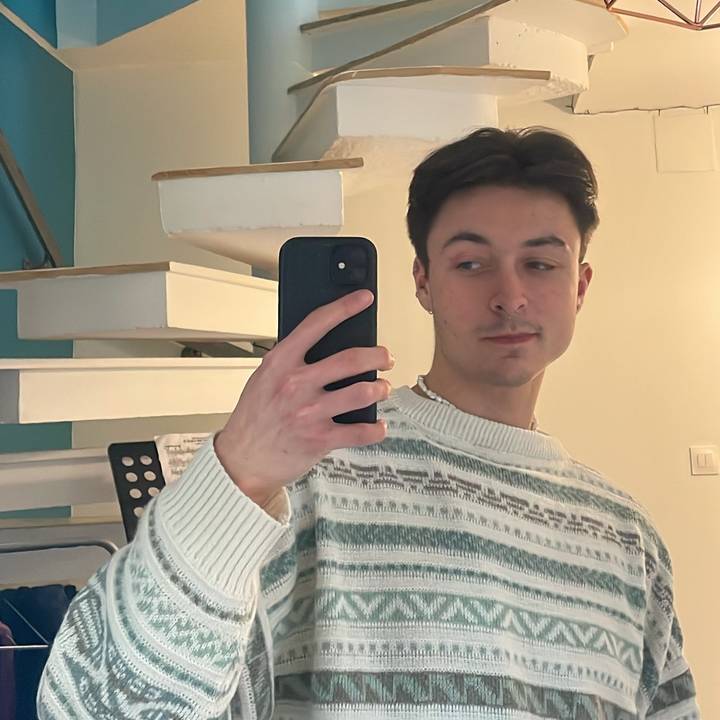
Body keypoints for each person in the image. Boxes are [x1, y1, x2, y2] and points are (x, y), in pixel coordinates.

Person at [38, 127, 700, 719]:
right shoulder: (296, 478)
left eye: (541, 263)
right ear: (423, 281)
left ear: (580, 286)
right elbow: (93, 705)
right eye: (471, 263)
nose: (510, 295)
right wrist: (236, 474)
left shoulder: (627, 540)